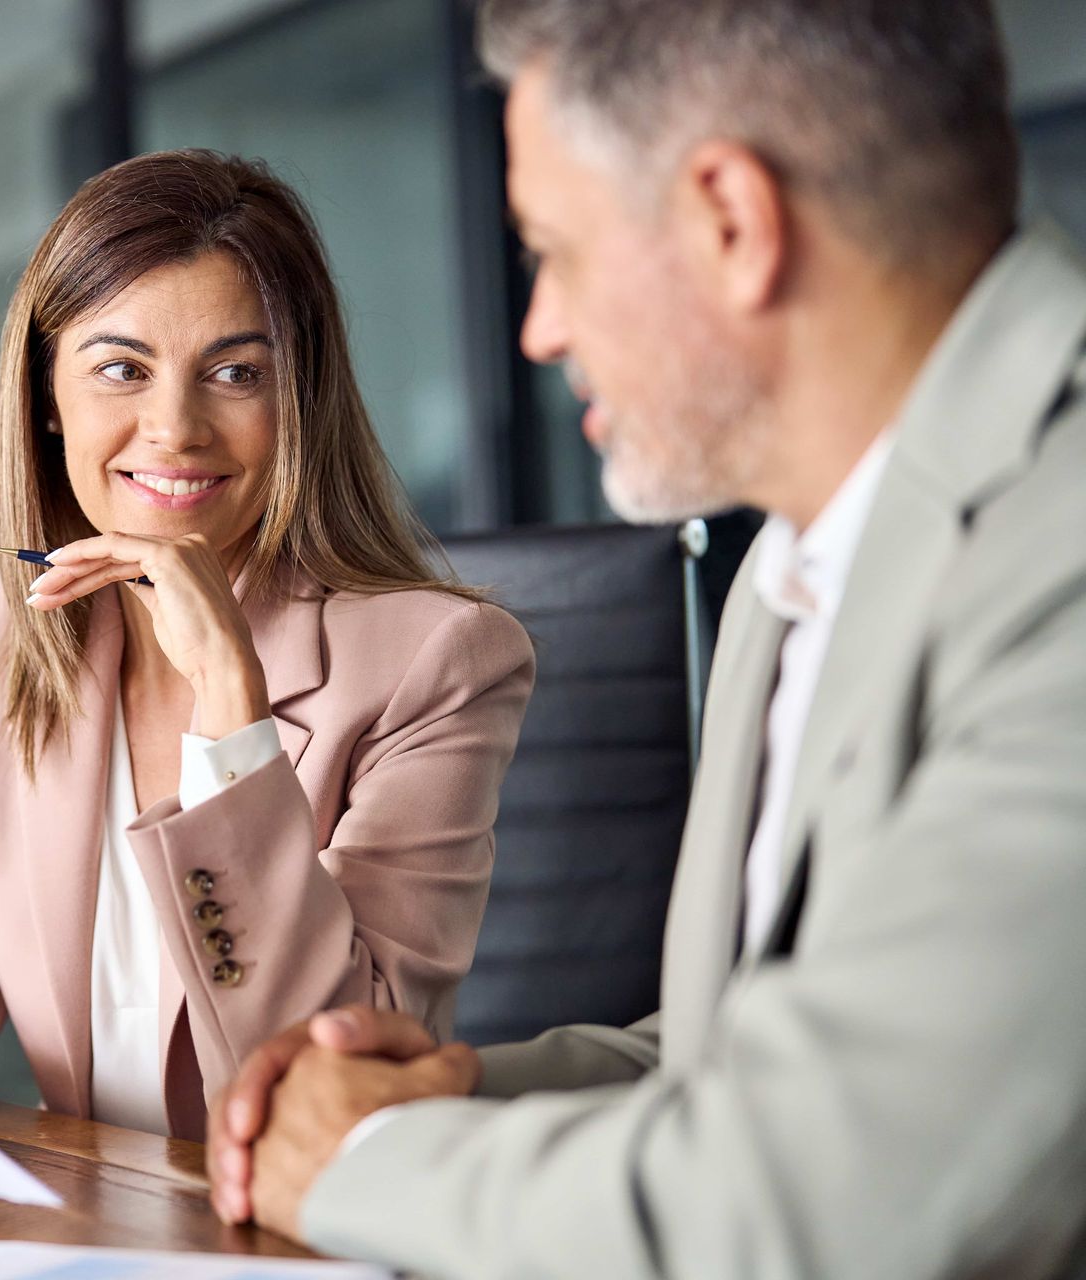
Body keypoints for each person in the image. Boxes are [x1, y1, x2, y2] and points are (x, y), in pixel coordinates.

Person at [206, 1, 1086, 1275]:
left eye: (554, 253)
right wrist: (453, 1095)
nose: (539, 331)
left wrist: (365, 1163)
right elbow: (740, 1055)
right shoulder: (796, 565)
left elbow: (827, 1196)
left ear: (733, 221)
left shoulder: (1057, 558)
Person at [0, 149, 535, 1187]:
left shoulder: (434, 661)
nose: (174, 428)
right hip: (89, 1222)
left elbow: (342, 1068)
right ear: (47, 400)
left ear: (299, 401)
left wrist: (233, 713)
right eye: (121, 368)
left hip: (314, 1226)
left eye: (236, 372)